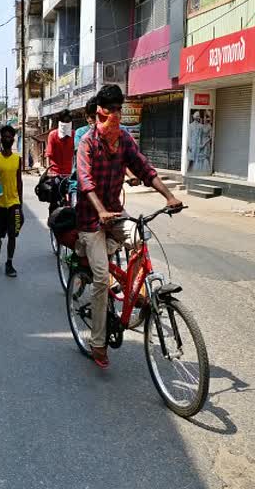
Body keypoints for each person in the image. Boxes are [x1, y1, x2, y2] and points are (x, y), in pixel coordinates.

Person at [76, 84, 182, 369]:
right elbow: (85, 182)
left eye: (118, 109)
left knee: (139, 238)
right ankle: (97, 342)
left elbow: (144, 169)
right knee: (100, 278)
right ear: (99, 112)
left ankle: (139, 292)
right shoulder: (86, 143)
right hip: (90, 220)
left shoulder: (123, 140)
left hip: (115, 214)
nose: (115, 115)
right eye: (110, 110)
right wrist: (100, 211)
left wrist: (169, 195)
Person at [0, 125, 23, 277]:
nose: (8, 139)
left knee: (12, 234)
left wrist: (20, 205)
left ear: (13, 139)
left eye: (10, 137)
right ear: (1, 139)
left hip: (14, 203)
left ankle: (9, 263)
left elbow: (19, 182)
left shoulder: (17, 159)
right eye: (5, 136)